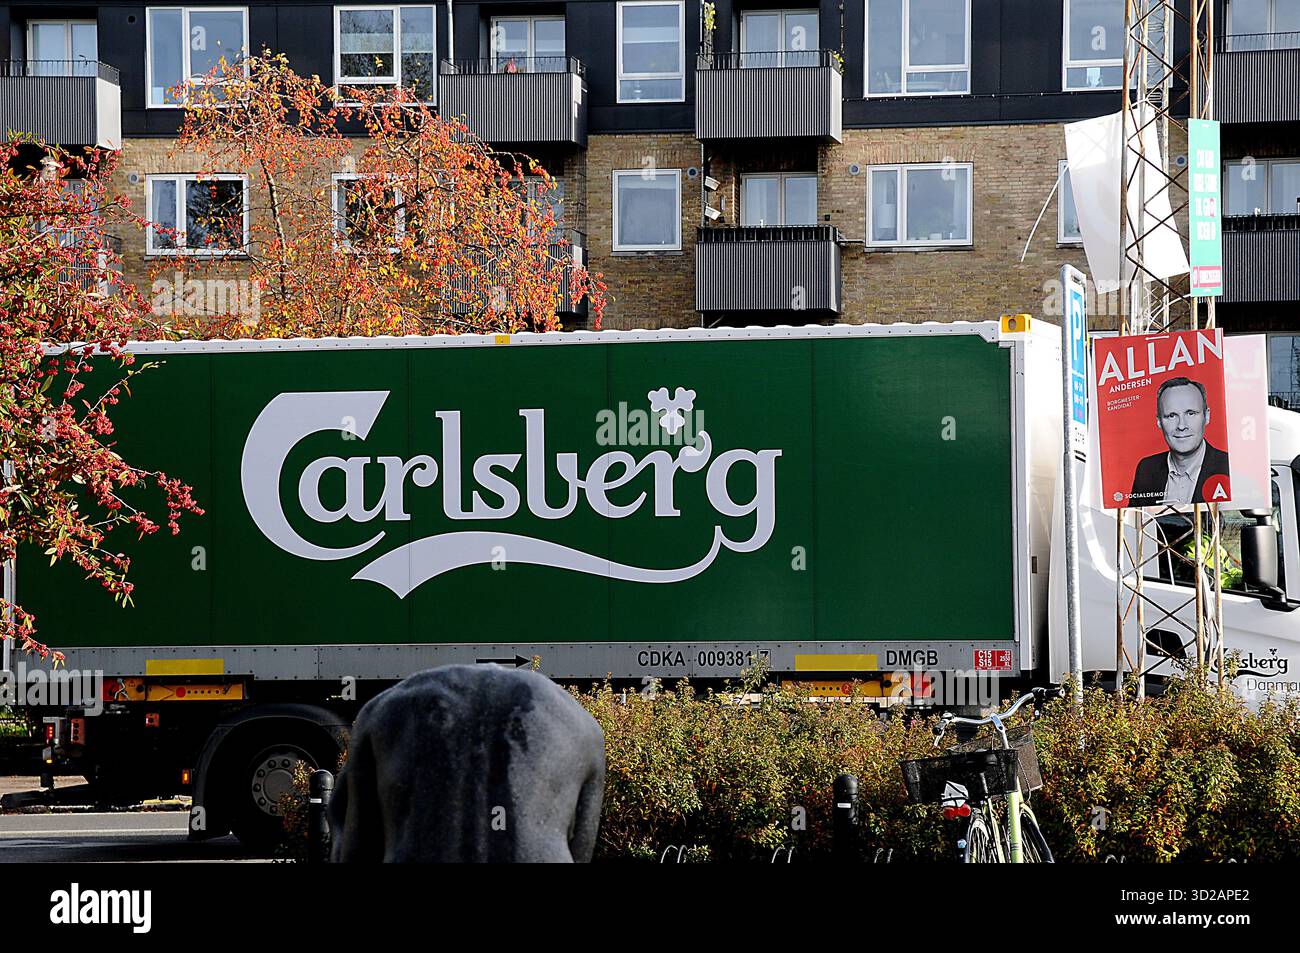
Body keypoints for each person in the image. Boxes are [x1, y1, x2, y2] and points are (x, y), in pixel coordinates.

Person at [1129, 376, 1230, 505]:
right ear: (1159, 421)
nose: (1181, 426)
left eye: (1191, 413)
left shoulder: (1229, 466)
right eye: (1171, 416)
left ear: (1207, 416)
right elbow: (1133, 523)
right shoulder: (1147, 469)